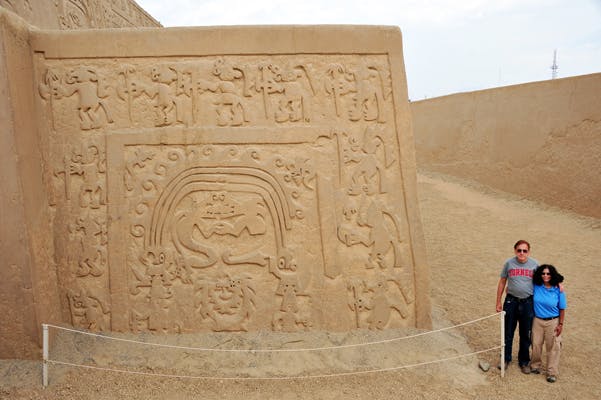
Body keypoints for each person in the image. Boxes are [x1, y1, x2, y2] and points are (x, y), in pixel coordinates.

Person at [495, 240, 538, 374]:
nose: (522, 253)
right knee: (508, 332)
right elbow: (502, 282)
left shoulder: (535, 265)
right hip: (511, 302)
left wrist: (558, 284)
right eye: (519, 250)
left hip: (527, 303)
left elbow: (543, 281)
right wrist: (498, 301)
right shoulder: (509, 263)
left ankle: (524, 361)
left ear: (528, 252)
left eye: (524, 250)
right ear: (515, 251)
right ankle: (506, 358)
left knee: (525, 333)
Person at [530, 264, 566, 383]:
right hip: (537, 320)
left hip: (553, 321)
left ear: (552, 275)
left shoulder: (558, 290)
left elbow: (562, 308)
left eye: (548, 273)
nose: (546, 276)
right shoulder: (536, 286)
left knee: (553, 347)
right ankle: (535, 366)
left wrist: (560, 324)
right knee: (536, 344)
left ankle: (552, 372)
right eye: (543, 273)